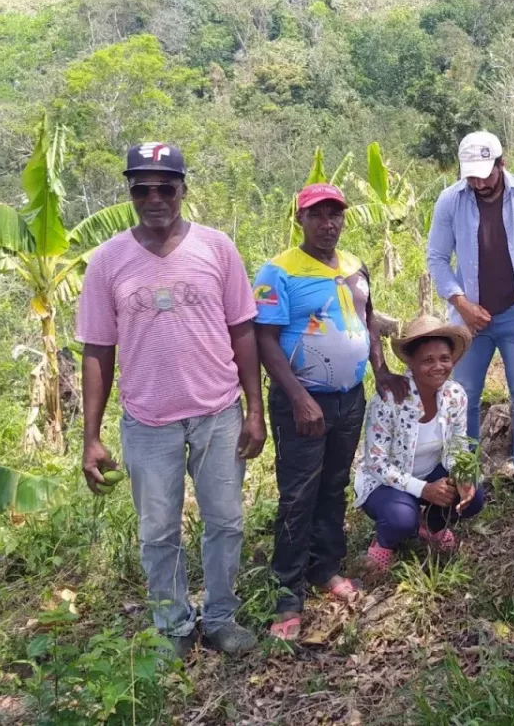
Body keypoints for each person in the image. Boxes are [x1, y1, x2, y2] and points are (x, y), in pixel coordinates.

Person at [78, 142, 265, 658]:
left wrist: (255, 409)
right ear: (130, 193)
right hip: (147, 420)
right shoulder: (109, 260)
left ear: (183, 190)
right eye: (142, 188)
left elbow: (242, 330)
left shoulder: (217, 248)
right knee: (158, 531)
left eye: (166, 187)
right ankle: (174, 626)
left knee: (225, 520)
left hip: (217, 412)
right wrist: (90, 437)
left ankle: (221, 617)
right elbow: (97, 348)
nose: (154, 197)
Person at [252, 183, 410, 641]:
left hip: (349, 397)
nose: (328, 224)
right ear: (300, 220)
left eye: (335, 215)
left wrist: (379, 371)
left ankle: (326, 568)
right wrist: (299, 398)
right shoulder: (277, 272)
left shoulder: (355, 265)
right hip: (301, 401)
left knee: (334, 485)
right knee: (298, 493)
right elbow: (265, 340)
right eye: (317, 215)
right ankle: (287, 591)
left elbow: (368, 321)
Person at [426, 131, 514, 505]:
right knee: (463, 396)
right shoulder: (450, 201)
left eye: (486, 174)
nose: (479, 183)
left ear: (502, 163)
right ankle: (467, 475)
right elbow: (437, 258)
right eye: (471, 175)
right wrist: (462, 303)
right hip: (470, 320)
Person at [352, 316, 485, 571]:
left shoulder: (454, 394)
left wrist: (461, 475)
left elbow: (456, 446)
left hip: (430, 472)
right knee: (401, 519)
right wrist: (423, 489)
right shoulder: (388, 400)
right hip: (385, 481)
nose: (438, 366)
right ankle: (384, 540)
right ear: (410, 363)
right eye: (427, 360)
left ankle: (432, 526)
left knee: (475, 494)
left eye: (444, 358)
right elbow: (377, 464)